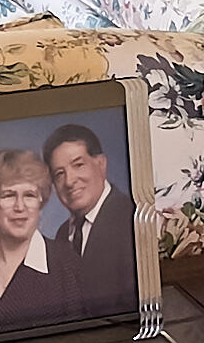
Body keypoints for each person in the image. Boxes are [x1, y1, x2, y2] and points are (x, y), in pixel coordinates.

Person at [45, 122, 139, 323]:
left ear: (101, 164)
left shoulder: (131, 220)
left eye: (78, 165)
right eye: (59, 174)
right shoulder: (63, 233)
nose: (69, 181)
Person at [0, 147, 71, 331]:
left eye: (29, 195)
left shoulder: (67, 268)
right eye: (8, 195)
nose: (20, 207)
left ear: (41, 203)